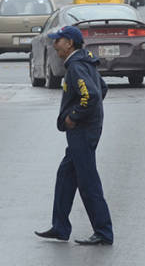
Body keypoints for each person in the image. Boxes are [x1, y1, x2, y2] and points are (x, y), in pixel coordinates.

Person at [35, 26, 113, 245]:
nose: (55, 44)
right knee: (65, 176)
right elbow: (102, 88)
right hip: (85, 130)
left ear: (69, 43)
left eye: (58, 41)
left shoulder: (77, 66)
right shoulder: (82, 63)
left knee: (88, 182)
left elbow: (93, 95)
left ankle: (104, 232)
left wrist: (75, 116)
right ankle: (60, 227)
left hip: (82, 132)